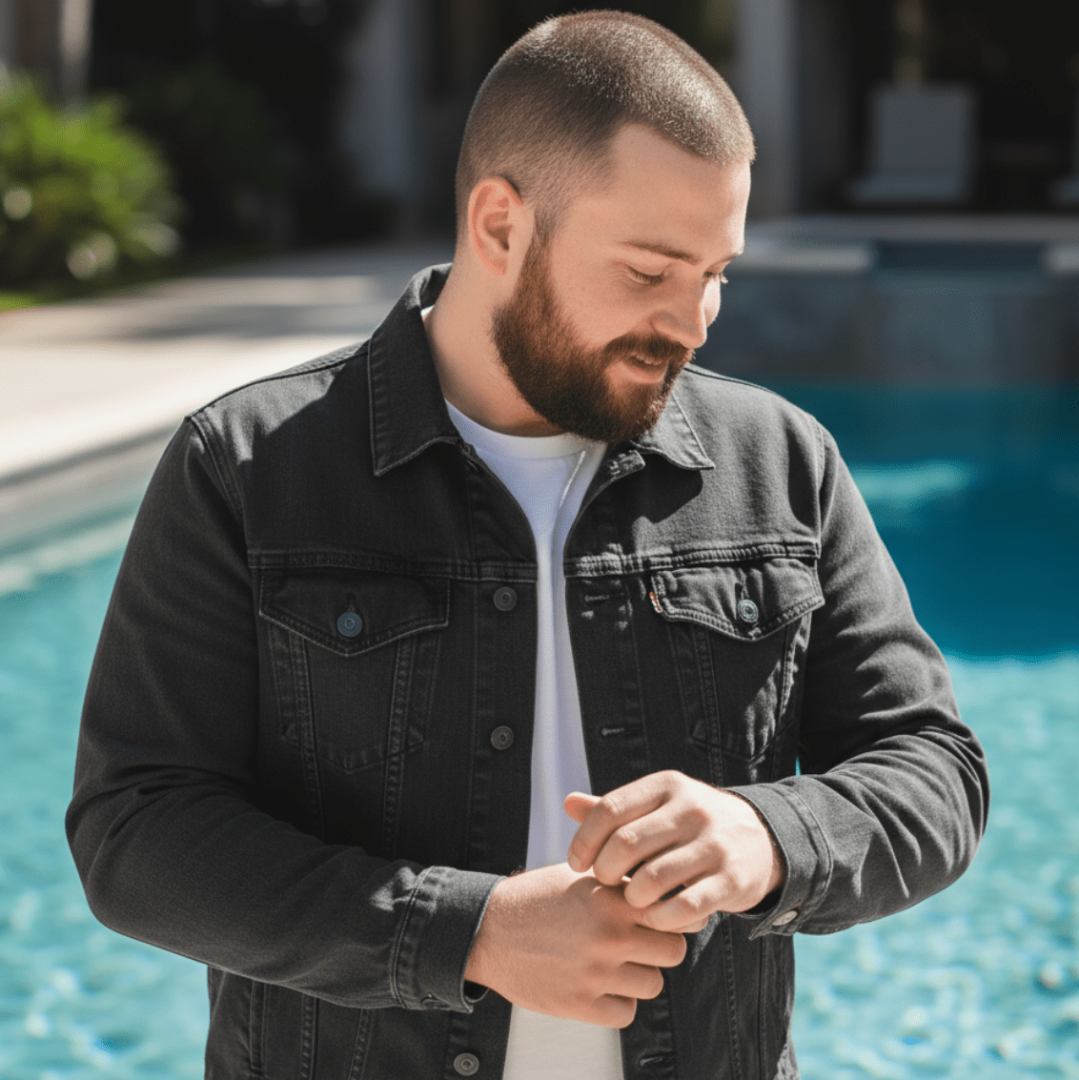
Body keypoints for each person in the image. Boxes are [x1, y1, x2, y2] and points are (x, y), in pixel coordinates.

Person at [67, 11, 989, 1080]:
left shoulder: (780, 460)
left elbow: (933, 770)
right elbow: (138, 834)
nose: (693, 323)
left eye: (716, 271)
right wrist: (472, 932)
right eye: (648, 270)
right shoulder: (245, 468)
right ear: (499, 225)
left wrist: (767, 833)